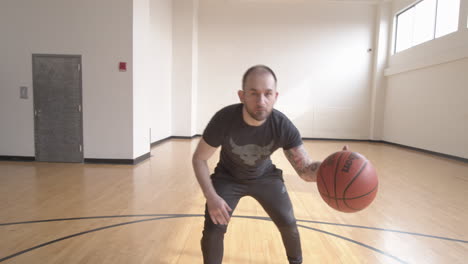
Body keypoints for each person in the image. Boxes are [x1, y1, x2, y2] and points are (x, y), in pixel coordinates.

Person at [192, 65, 347, 264]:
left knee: (288, 223)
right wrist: (211, 196)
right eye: (253, 93)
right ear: (242, 95)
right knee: (214, 228)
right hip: (227, 177)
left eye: (267, 93)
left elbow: (305, 170)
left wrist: (331, 167)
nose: (261, 101)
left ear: (276, 96)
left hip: (265, 177)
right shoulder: (224, 119)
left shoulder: (283, 126)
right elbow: (199, 159)